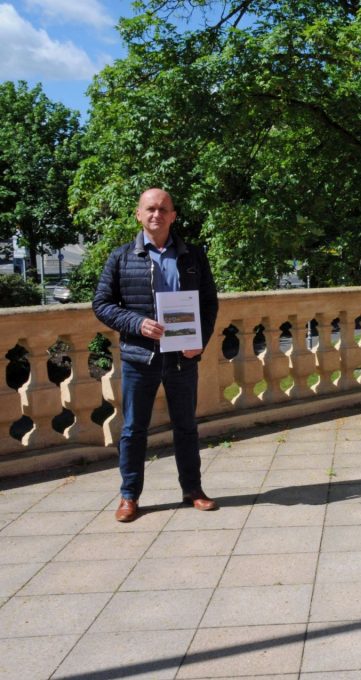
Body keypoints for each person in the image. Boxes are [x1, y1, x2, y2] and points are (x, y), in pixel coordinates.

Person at [93, 188, 220, 522]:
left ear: (173, 216)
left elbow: (209, 303)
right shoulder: (121, 257)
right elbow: (102, 304)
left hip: (182, 358)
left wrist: (200, 341)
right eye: (150, 209)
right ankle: (129, 496)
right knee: (134, 429)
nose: (156, 214)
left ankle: (193, 489)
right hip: (140, 358)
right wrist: (136, 323)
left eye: (164, 209)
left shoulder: (193, 255)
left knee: (186, 427)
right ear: (138, 214)